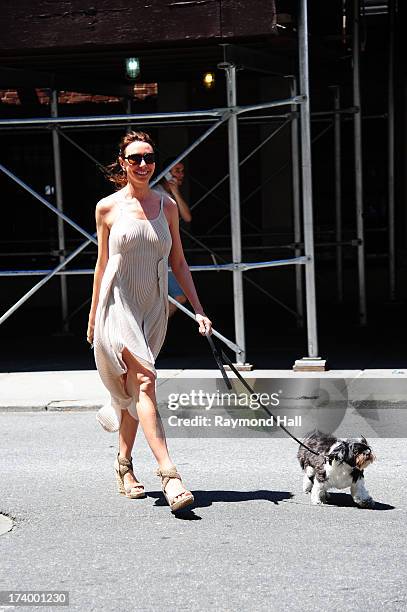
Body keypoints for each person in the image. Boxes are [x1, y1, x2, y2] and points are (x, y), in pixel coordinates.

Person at [86, 131, 212, 512]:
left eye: (150, 157)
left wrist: (199, 310)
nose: (144, 164)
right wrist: (93, 315)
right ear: (122, 163)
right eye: (135, 158)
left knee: (133, 391)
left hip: (152, 308)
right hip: (118, 305)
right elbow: (102, 263)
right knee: (145, 381)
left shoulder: (166, 206)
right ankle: (170, 475)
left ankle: (123, 465)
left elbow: (178, 262)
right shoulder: (107, 208)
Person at [153, 158, 191, 318]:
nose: (181, 175)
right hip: (155, 252)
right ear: (166, 173)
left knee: (178, 297)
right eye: (177, 171)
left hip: (167, 251)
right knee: (178, 297)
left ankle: (150, 332)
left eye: (182, 171)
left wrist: (175, 192)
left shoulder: (171, 194)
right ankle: (150, 331)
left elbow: (187, 217)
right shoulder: (155, 192)